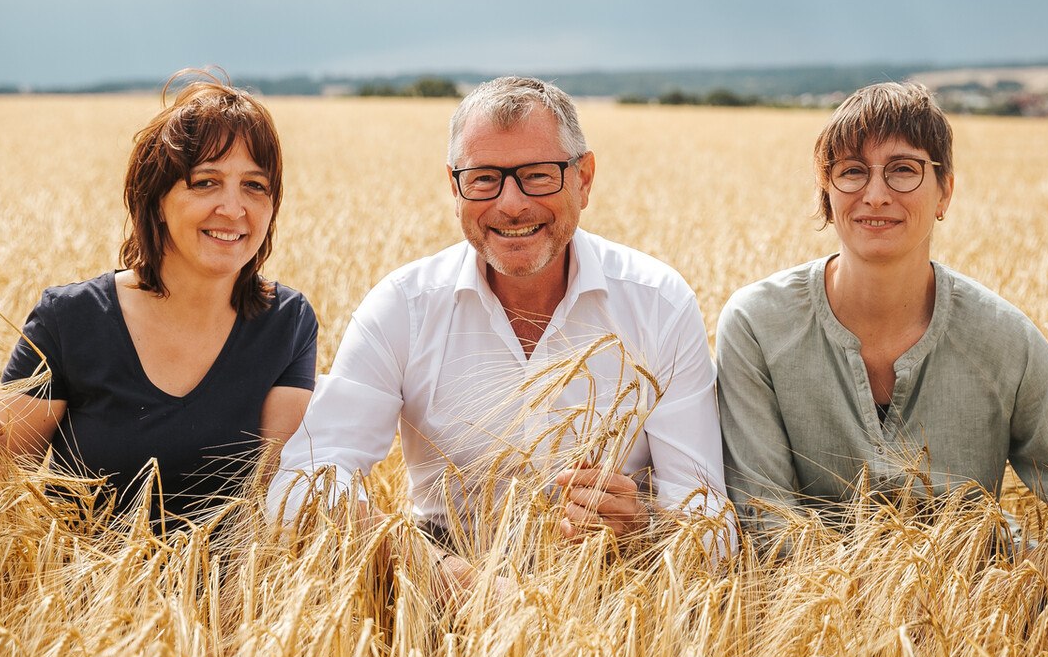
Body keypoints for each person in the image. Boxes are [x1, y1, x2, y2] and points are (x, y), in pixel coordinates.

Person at [267, 76, 731, 581]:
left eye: (537, 175)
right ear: (454, 186)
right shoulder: (403, 307)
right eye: (484, 177)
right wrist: (449, 578)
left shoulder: (658, 304)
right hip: (438, 592)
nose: (510, 204)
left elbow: (709, 523)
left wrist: (642, 528)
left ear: (585, 179)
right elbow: (304, 485)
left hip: (613, 594)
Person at [716, 81, 1048, 574]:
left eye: (903, 170)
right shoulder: (757, 324)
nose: (875, 195)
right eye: (852, 172)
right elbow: (765, 520)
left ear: (945, 191)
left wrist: (1032, 584)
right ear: (827, 195)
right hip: (812, 613)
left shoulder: (1001, 337)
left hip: (979, 616)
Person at [0, 71, 317, 530]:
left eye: (255, 186)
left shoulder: (286, 323)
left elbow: (277, 496)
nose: (234, 208)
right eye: (205, 182)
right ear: (156, 198)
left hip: (238, 600)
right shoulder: (70, 321)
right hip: (80, 599)